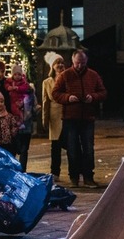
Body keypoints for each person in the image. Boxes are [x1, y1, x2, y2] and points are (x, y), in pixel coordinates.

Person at [53, 48, 107, 188]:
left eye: (82, 63)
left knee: (88, 148)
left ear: (86, 61)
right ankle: (74, 177)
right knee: (72, 148)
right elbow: (55, 93)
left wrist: (93, 97)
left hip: (87, 117)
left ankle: (88, 176)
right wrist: (68, 98)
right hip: (70, 118)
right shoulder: (65, 75)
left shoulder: (93, 75)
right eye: (77, 63)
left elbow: (102, 92)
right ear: (72, 61)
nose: (79, 66)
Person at [5, 62, 35, 171]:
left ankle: (22, 170)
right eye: (15, 74)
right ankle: (13, 170)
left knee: (24, 149)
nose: (17, 76)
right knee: (13, 148)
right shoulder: (8, 84)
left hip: (25, 123)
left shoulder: (28, 88)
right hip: (13, 122)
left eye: (19, 74)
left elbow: (33, 106)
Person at [41, 57, 67, 180]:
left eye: (62, 63)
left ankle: (76, 171)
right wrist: (44, 119)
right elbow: (45, 101)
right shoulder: (47, 82)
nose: (60, 65)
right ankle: (55, 172)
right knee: (55, 146)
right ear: (53, 66)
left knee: (70, 144)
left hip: (67, 114)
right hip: (54, 115)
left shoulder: (68, 78)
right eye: (57, 63)